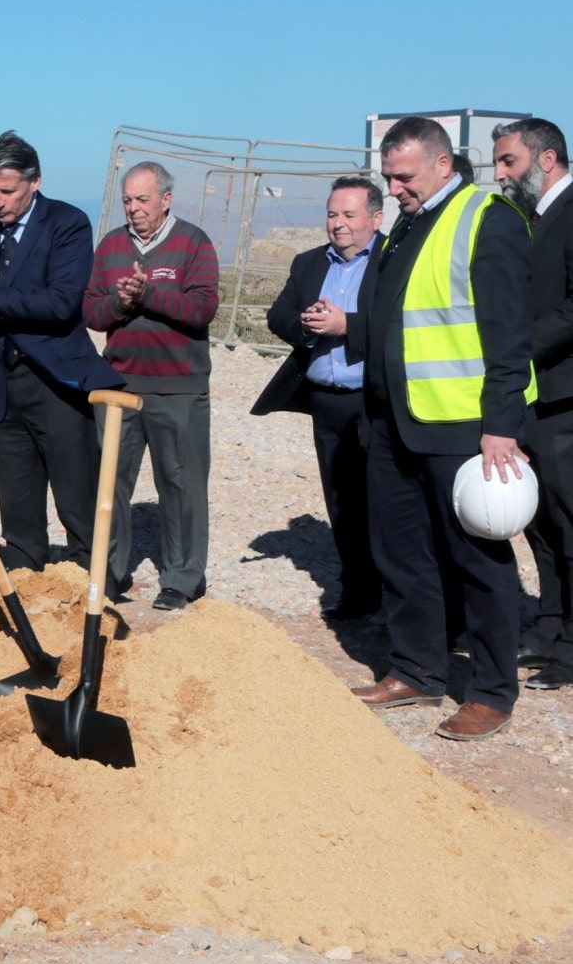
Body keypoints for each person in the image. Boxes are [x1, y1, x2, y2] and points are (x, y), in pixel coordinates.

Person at [349, 116, 535, 741]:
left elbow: (510, 331)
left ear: (443, 163)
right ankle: (416, 670)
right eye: (388, 176)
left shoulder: (488, 218)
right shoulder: (409, 221)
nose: (393, 187)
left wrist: (501, 425)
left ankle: (491, 691)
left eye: (404, 176)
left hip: (462, 426)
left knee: (476, 562)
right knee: (401, 553)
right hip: (395, 422)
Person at [0, 131, 122, 572]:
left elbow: (62, 303)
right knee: (17, 509)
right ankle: (28, 595)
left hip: (59, 384)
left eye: (8, 191)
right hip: (6, 386)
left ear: (35, 181)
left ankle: (93, 597)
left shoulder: (68, 223)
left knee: (78, 502)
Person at [81, 161, 221, 611]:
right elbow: (90, 311)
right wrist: (120, 303)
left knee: (180, 483)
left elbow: (202, 308)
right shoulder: (110, 245)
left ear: (166, 200)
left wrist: (147, 295)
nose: (134, 208)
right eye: (127, 200)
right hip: (119, 385)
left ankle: (181, 578)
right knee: (110, 483)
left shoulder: (193, 242)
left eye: (143, 199)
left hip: (178, 386)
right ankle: (110, 572)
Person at [250, 177, 386, 620]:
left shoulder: (393, 260)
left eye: (349, 214)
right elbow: (279, 314)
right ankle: (359, 592)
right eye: (332, 214)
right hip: (326, 402)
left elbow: (400, 323)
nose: (338, 223)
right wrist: (307, 325)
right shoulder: (308, 263)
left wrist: (348, 326)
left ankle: (403, 594)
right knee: (341, 501)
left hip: (375, 400)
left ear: (376, 218)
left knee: (386, 500)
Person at [492, 117, 573, 690]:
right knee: (540, 519)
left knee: (569, 518)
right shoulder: (529, 217)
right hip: (531, 390)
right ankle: (548, 625)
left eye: (509, 161)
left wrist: (517, 348)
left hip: (564, 391)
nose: (500, 174)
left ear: (546, 159)